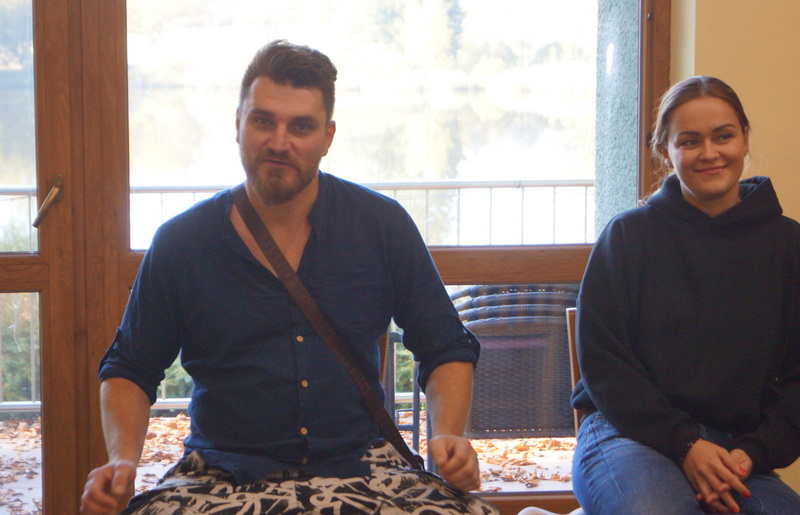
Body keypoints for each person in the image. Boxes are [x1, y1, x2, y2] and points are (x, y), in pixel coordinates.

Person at [80, 40, 497, 515]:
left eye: (301, 126)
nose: (279, 142)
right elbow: (130, 367)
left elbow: (445, 346)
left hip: (365, 467)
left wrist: (449, 434)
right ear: (238, 123)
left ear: (327, 137)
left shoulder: (382, 226)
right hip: (220, 475)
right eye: (263, 121)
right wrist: (122, 460)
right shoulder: (182, 241)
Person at [570, 76, 800, 514]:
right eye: (690, 141)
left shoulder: (789, 246)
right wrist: (686, 445)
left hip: (735, 450)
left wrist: (752, 453)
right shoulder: (627, 236)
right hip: (625, 435)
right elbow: (604, 364)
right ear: (665, 151)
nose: (709, 153)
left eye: (723, 136)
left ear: (745, 138)